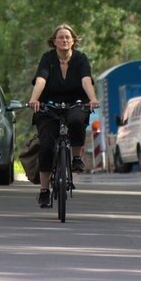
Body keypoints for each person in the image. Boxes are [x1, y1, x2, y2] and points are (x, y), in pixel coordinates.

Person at [27, 23, 100, 208]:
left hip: (75, 103)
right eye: (60, 37)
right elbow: (41, 79)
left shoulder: (81, 59)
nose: (64, 40)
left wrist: (92, 99)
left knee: (76, 120)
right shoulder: (47, 58)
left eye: (68, 37)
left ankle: (76, 158)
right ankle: (44, 191)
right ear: (54, 41)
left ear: (73, 40)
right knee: (46, 146)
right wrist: (34, 99)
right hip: (48, 105)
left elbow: (86, 80)